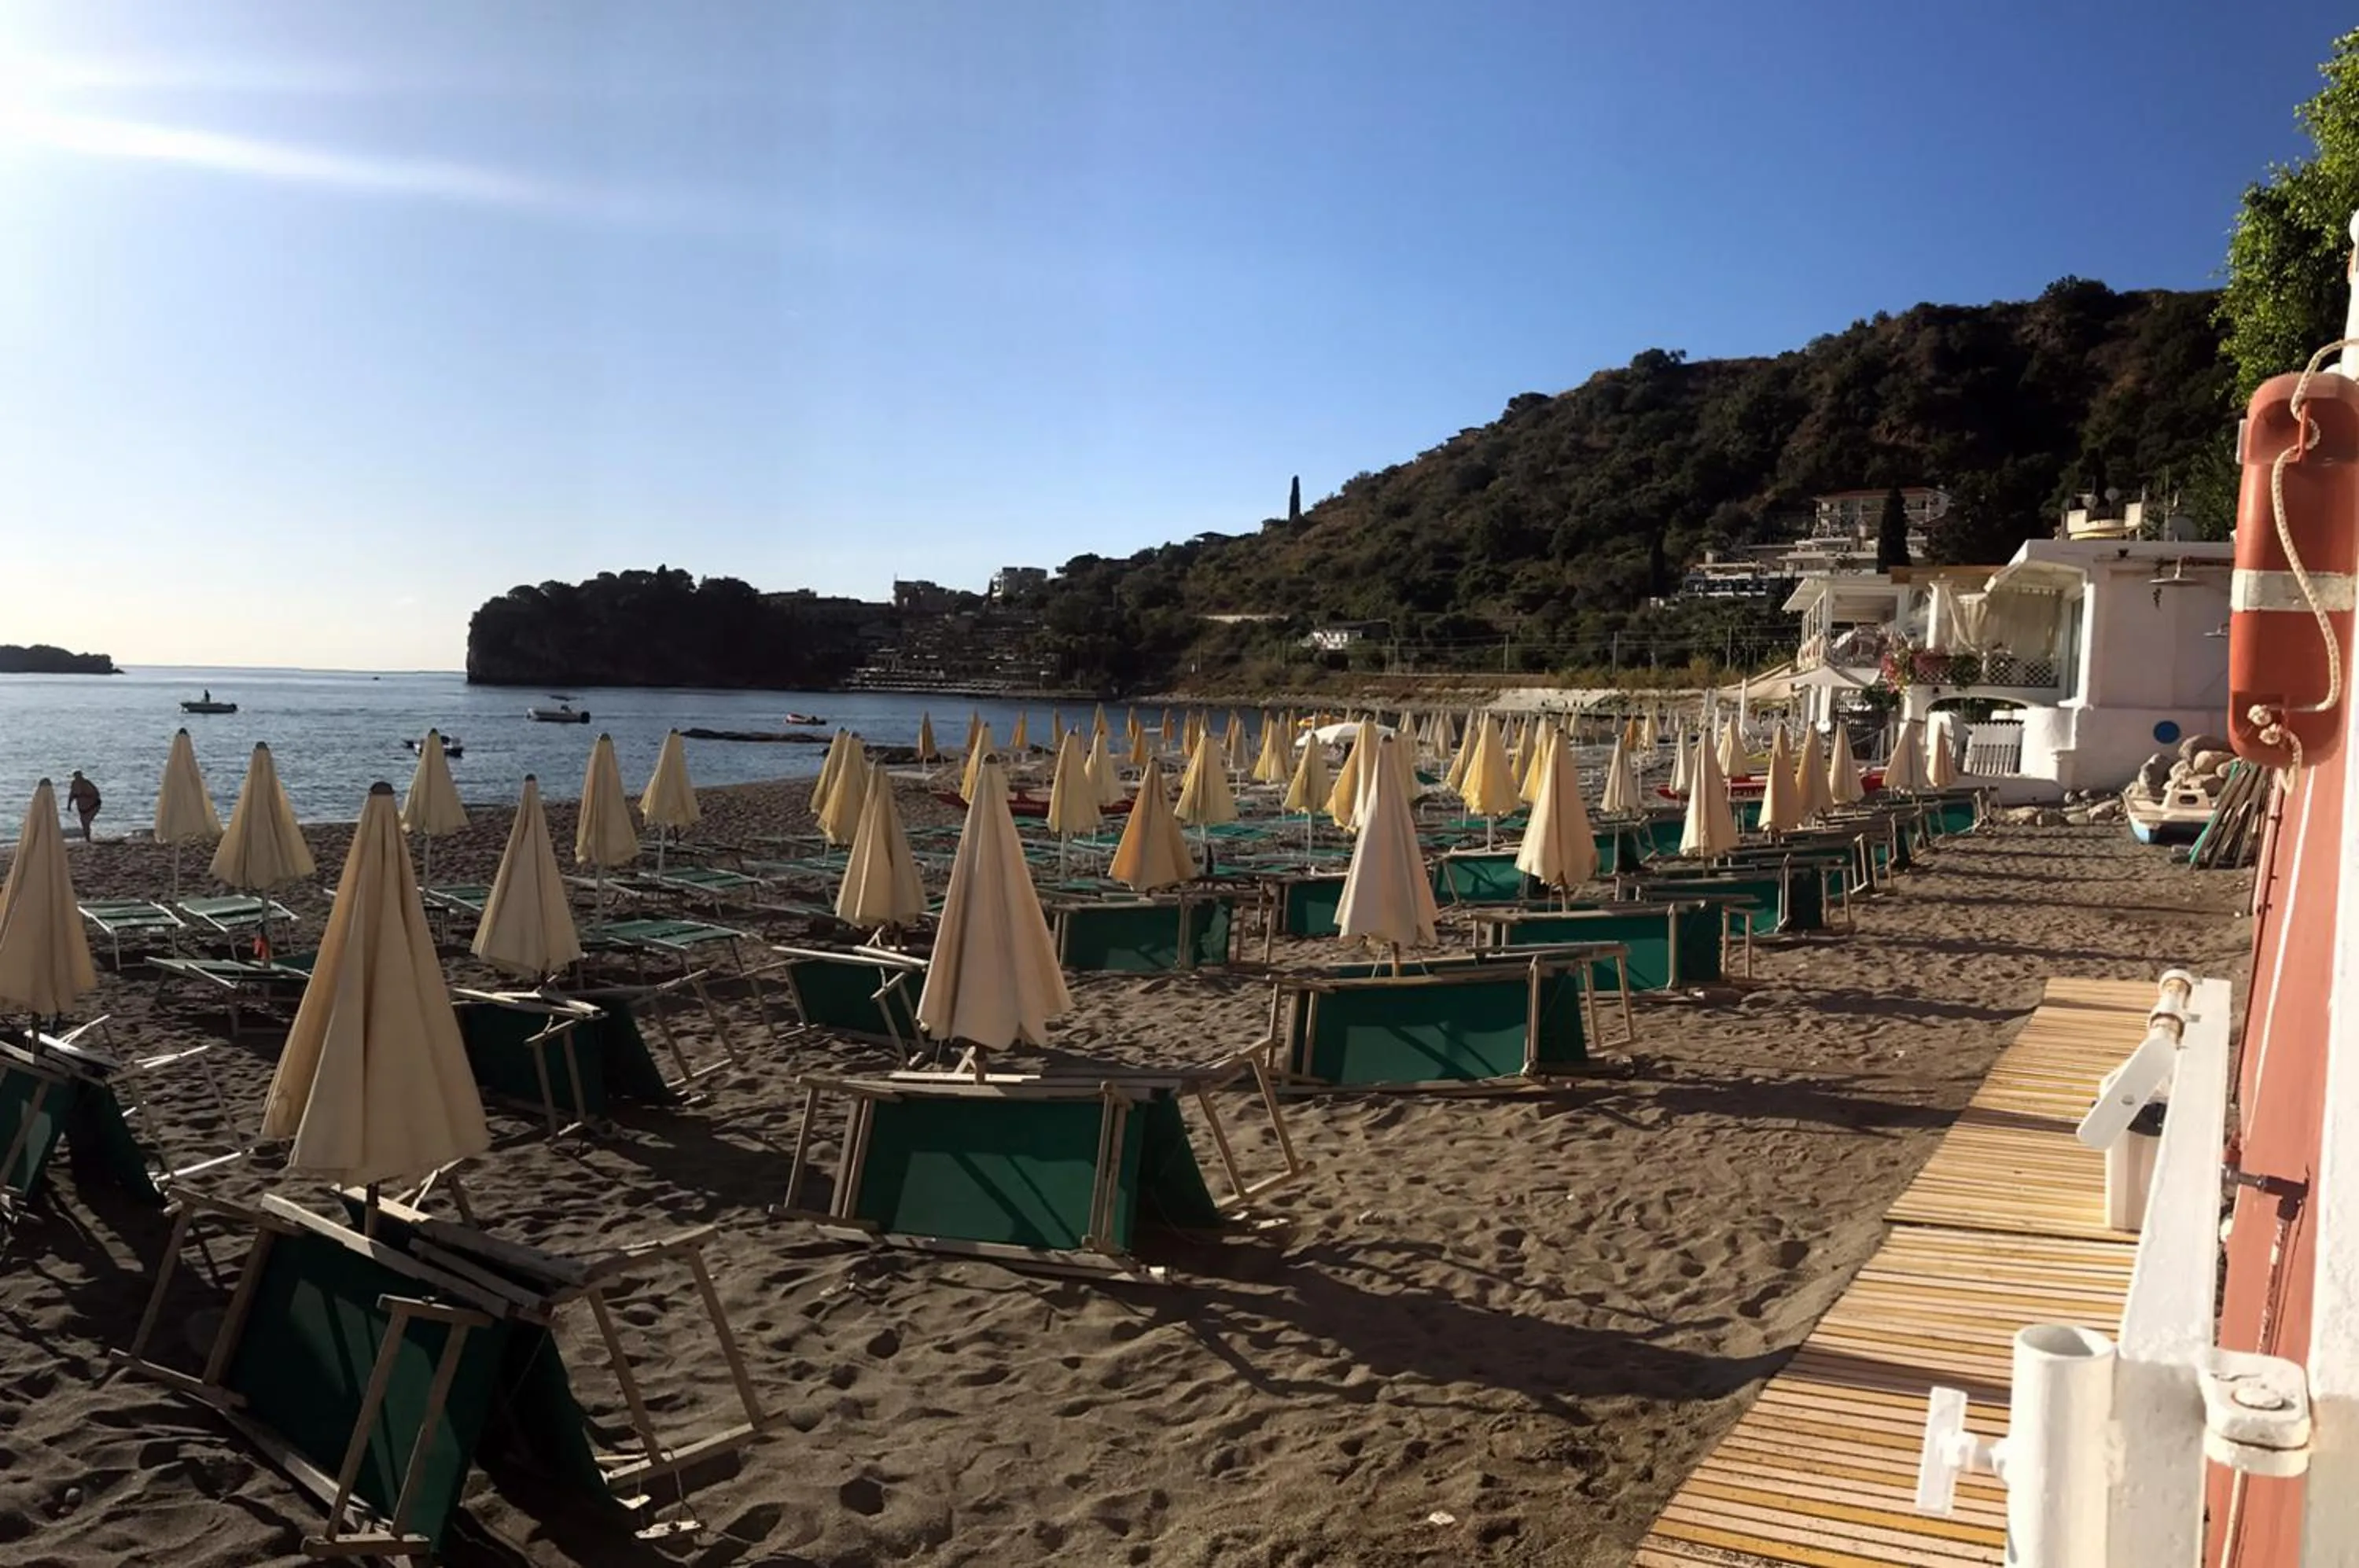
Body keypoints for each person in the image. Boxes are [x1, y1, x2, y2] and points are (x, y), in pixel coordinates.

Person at [66, 770, 101, 842]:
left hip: (92, 806)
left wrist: (84, 795)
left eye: (79, 777)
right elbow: (71, 795)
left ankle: (88, 838)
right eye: (76, 777)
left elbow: (96, 794)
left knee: (86, 822)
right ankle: (88, 838)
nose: (77, 779)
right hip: (82, 809)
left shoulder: (87, 783)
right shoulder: (74, 785)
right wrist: (69, 805)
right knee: (84, 823)